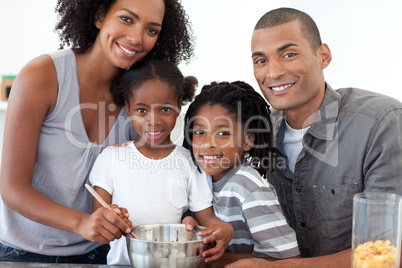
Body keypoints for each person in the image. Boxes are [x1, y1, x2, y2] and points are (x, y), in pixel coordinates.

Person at [0, 0, 194, 264]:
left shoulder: (140, 102)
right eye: (127, 19)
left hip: (103, 255)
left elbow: (162, 177)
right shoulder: (42, 76)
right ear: (99, 15)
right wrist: (82, 222)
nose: (136, 38)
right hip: (22, 255)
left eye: (152, 30)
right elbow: (12, 188)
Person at [227, 7, 402, 268]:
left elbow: (386, 252)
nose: (273, 73)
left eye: (288, 54)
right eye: (261, 60)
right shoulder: (259, 134)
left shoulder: (381, 122)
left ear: (323, 56)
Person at [89, 60, 234, 265]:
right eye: (141, 110)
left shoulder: (190, 161)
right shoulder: (111, 159)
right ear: (128, 108)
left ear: (178, 106)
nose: (154, 121)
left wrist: (224, 228)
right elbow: (98, 216)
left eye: (165, 109)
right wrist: (111, 218)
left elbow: (206, 218)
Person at [182, 81, 300, 267]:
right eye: (199, 131)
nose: (208, 143)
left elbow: (287, 260)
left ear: (248, 140)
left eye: (223, 133)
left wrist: (210, 259)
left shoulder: (247, 185)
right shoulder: (197, 176)